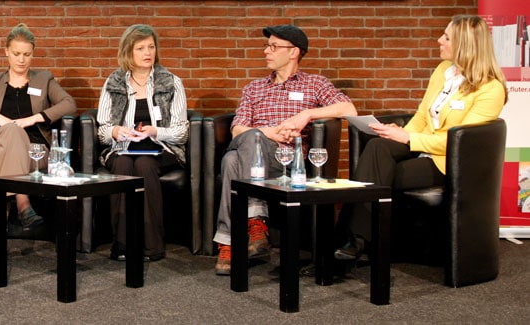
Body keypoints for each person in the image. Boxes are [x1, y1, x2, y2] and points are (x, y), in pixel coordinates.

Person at [334, 15, 507, 260]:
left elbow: (462, 144)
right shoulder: (442, 71)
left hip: (448, 162)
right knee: (378, 147)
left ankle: (352, 239)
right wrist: (398, 133)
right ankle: (357, 240)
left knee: (381, 173)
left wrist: (407, 138)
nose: (439, 40)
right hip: (423, 144)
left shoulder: (490, 88)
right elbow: (424, 115)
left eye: (446, 37)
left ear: (465, 45)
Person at [212, 24, 357, 275]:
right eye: (267, 46)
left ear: (294, 52)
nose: (266, 51)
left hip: (286, 160)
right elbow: (237, 130)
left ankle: (231, 241)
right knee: (245, 145)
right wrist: (269, 131)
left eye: (273, 46)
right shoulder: (253, 88)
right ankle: (254, 224)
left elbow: (348, 109)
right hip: (254, 150)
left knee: (230, 162)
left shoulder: (314, 84)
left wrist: (306, 115)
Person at [0, 23, 77, 263]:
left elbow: (68, 103)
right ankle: (22, 201)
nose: (22, 60)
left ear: (33, 53)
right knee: (8, 132)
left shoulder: (43, 80)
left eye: (27, 54)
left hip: (33, 151)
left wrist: (34, 119)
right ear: (7, 52)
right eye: (16, 54)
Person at [95, 24, 189, 262]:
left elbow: (182, 132)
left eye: (151, 47)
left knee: (145, 165)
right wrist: (116, 131)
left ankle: (152, 245)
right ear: (128, 52)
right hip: (122, 149)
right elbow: (102, 130)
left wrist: (155, 132)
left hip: (162, 149)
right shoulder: (114, 82)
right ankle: (122, 244)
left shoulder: (171, 82)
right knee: (124, 165)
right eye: (140, 48)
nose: (148, 53)